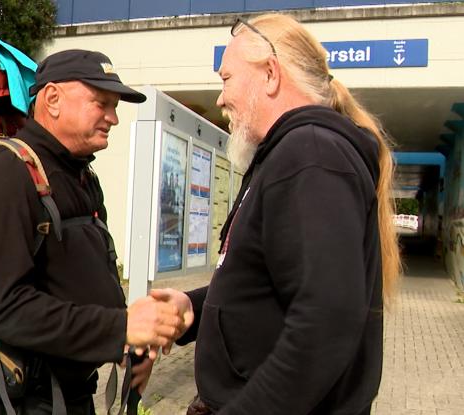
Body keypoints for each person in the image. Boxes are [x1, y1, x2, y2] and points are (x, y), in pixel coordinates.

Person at [151, 13, 401, 415]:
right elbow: (270, 282)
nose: (220, 98)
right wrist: (195, 307)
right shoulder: (293, 153)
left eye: (226, 78)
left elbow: (326, 322)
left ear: (270, 73)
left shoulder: (311, 155)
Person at [0, 49, 186, 414]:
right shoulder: (4, 172)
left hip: (71, 394)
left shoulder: (81, 176)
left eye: (115, 106)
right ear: (53, 99)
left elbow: (80, 277)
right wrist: (118, 328)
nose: (113, 118)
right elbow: (4, 307)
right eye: (101, 103)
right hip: (17, 401)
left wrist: (126, 344)